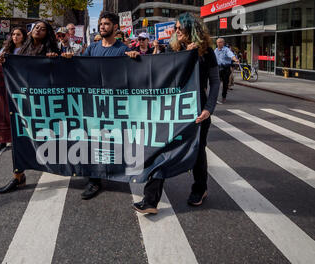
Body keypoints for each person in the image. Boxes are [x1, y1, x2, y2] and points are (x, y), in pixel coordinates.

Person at [132, 12, 220, 214]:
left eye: (180, 28)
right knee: (161, 150)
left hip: (198, 111)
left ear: (192, 29)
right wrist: (136, 58)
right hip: (172, 112)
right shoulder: (173, 50)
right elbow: (155, 71)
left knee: (197, 150)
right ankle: (150, 200)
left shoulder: (206, 52)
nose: (176, 31)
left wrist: (209, 108)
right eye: (176, 28)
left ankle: (200, 188)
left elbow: (215, 82)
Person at [0, 20, 60, 194]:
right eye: (36, 27)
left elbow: (60, 72)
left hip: (43, 102)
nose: (38, 30)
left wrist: (56, 60)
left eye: (43, 28)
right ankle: (18, 176)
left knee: (49, 138)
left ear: (48, 34)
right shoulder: (19, 49)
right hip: (22, 100)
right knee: (20, 136)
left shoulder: (52, 50)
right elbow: (6, 64)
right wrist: (3, 60)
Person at [81, 11, 133, 200]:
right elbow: (80, 67)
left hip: (113, 104)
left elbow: (131, 72)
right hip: (93, 103)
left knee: (110, 139)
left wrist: (134, 58)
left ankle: (112, 170)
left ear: (115, 27)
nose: (102, 26)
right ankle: (94, 179)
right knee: (93, 139)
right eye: (101, 24)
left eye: (107, 24)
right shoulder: (92, 48)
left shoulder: (122, 49)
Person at [0, 27, 28, 153]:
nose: (15, 37)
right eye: (13, 34)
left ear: (23, 36)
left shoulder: (28, 50)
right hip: (6, 83)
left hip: (21, 85)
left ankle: (21, 140)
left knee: (20, 113)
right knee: (3, 111)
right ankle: (2, 140)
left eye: (18, 34)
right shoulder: (7, 48)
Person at [215, 38, 238, 103]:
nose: (218, 44)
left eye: (220, 42)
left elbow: (231, 55)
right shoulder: (216, 50)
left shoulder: (226, 50)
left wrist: (235, 59)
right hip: (218, 68)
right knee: (216, 84)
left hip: (226, 68)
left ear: (223, 43)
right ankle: (214, 97)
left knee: (225, 83)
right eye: (217, 42)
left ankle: (224, 97)